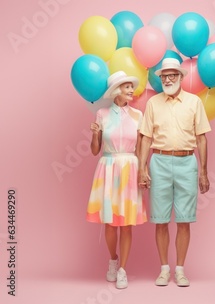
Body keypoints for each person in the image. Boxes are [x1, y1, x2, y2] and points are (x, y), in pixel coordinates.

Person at [138, 58, 211, 287]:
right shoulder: (153, 103)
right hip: (158, 161)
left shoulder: (194, 102)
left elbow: (201, 138)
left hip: (187, 162)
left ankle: (180, 270)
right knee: (160, 220)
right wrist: (142, 168)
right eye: (164, 76)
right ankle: (163, 270)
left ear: (180, 77)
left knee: (184, 220)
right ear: (160, 79)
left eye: (172, 75)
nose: (168, 79)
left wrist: (204, 172)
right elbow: (146, 137)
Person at [87, 71, 147, 289]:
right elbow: (95, 150)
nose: (131, 90)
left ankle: (123, 269)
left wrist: (143, 171)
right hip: (108, 167)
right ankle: (112, 260)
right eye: (126, 86)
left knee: (127, 223)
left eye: (132, 86)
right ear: (115, 91)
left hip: (131, 167)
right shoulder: (102, 114)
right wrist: (94, 134)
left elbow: (141, 148)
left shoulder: (138, 116)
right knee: (110, 223)